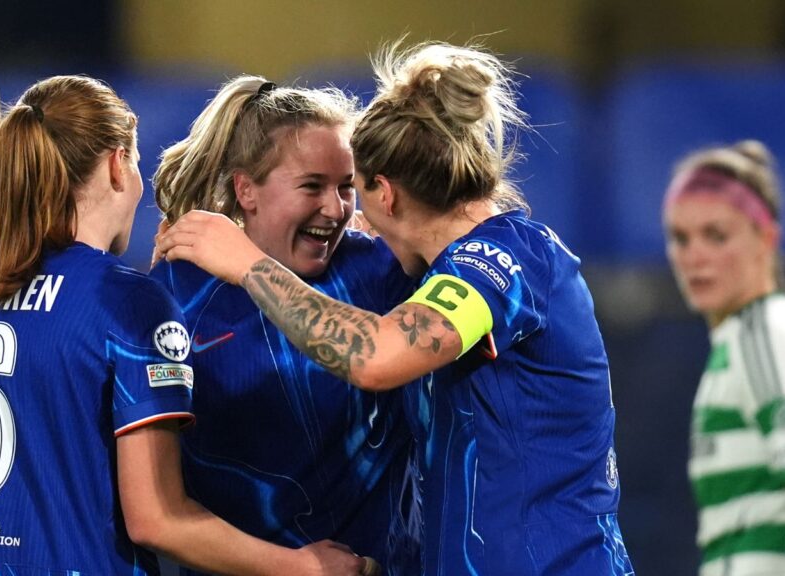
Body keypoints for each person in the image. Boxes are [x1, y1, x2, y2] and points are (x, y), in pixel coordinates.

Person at [0, 74, 368, 575]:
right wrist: (301, 567)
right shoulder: (128, 300)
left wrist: (22, 452)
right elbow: (157, 520)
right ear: (118, 164)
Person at [157, 42, 635, 575]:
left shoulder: (503, 259)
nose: (344, 215)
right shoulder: (440, 275)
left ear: (384, 193)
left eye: (351, 191)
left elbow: (376, 356)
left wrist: (247, 263)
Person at [150, 75, 418, 575]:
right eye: (312, 186)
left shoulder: (382, 269)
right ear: (246, 190)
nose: (335, 209)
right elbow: (156, 503)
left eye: (346, 187)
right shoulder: (177, 294)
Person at [662, 140, 785, 575]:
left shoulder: (764, 335)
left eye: (716, 235)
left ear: (767, 238)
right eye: (680, 237)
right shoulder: (745, 339)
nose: (694, 255)